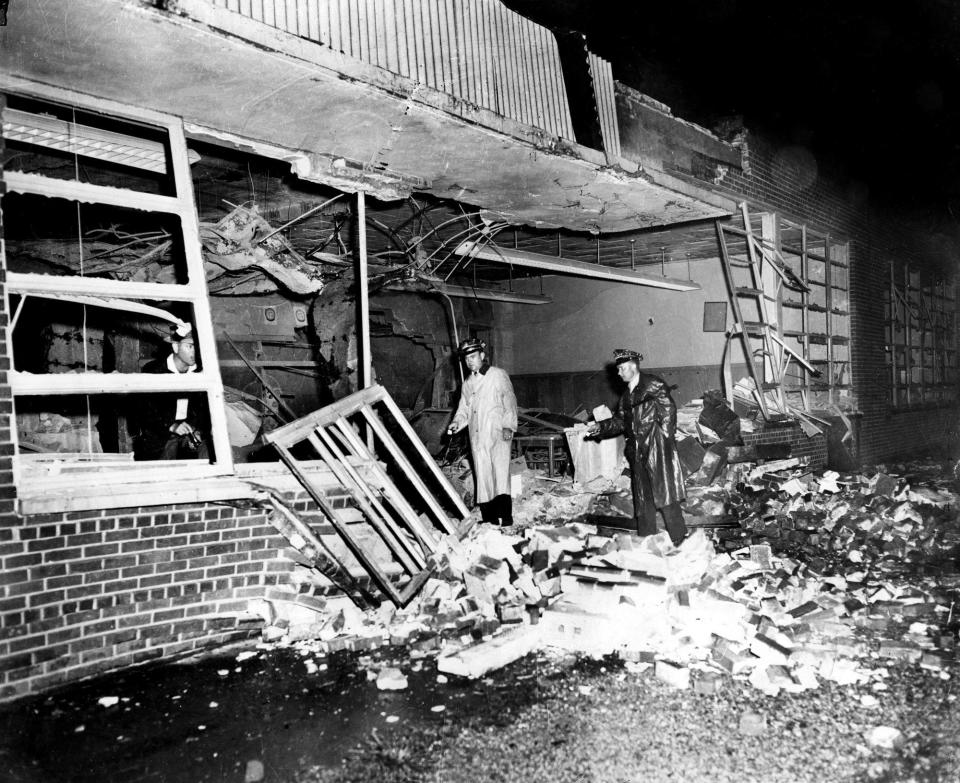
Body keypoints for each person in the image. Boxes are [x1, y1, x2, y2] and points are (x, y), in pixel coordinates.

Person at [587, 348, 688, 545]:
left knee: (666, 497)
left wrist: (664, 439)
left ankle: (680, 540)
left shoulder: (653, 384)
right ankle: (646, 542)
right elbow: (620, 422)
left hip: (656, 449)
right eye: (619, 368)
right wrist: (600, 427)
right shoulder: (626, 396)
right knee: (643, 501)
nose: (619, 372)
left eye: (622, 368)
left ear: (633, 367)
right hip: (637, 452)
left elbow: (669, 411)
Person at [447, 338, 518, 526]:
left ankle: (506, 518)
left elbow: (509, 400)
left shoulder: (497, 375)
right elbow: (463, 410)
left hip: (497, 432)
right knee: (483, 474)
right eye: (466, 358)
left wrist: (508, 426)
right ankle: (490, 519)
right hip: (477, 436)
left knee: (500, 473)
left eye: (473, 356)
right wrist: (456, 423)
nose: (470, 361)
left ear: (482, 356)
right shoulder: (467, 384)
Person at [132, 323, 210, 461]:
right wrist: (171, 426)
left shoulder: (200, 373)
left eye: (197, 347)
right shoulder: (154, 371)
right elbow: (143, 411)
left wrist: (197, 430)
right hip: (160, 435)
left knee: (209, 449)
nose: (195, 352)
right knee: (169, 449)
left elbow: (204, 408)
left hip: (188, 433)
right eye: (190, 346)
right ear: (175, 347)